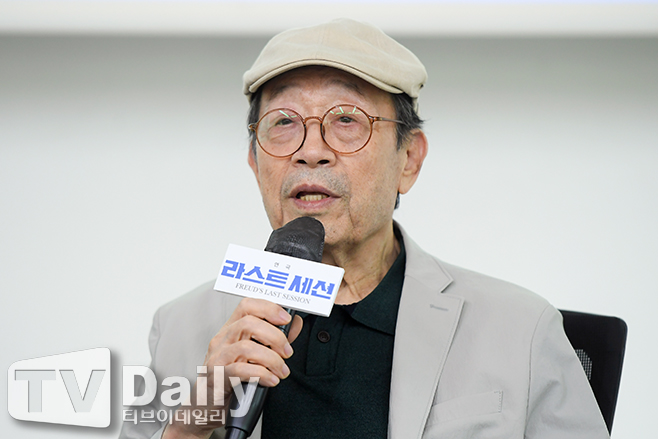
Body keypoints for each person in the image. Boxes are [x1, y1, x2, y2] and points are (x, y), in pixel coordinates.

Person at [119, 18, 610, 439]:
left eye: (347, 120)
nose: (311, 150)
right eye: (283, 122)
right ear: (254, 161)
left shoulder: (519, 329)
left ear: (408, 160)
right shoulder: (183, 327)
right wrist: (190, 424)